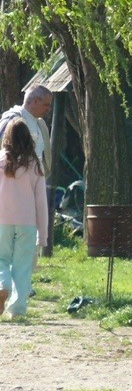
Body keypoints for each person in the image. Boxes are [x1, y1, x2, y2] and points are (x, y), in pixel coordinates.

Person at [0, 119, 49, 317]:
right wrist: (43, 235)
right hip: (27, 223)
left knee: (0, 258)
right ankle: (18, 309)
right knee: (22, 265)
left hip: (1, 221)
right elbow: (41, 203)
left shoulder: (1, 161)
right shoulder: (35, 164)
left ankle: (3, 284)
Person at [0, 85, 53, 177]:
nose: (48, 109)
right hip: (12, 178)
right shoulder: (12, 120)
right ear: (36, 101)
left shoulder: (41, 124)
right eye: (46, 105)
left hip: (34, 180)